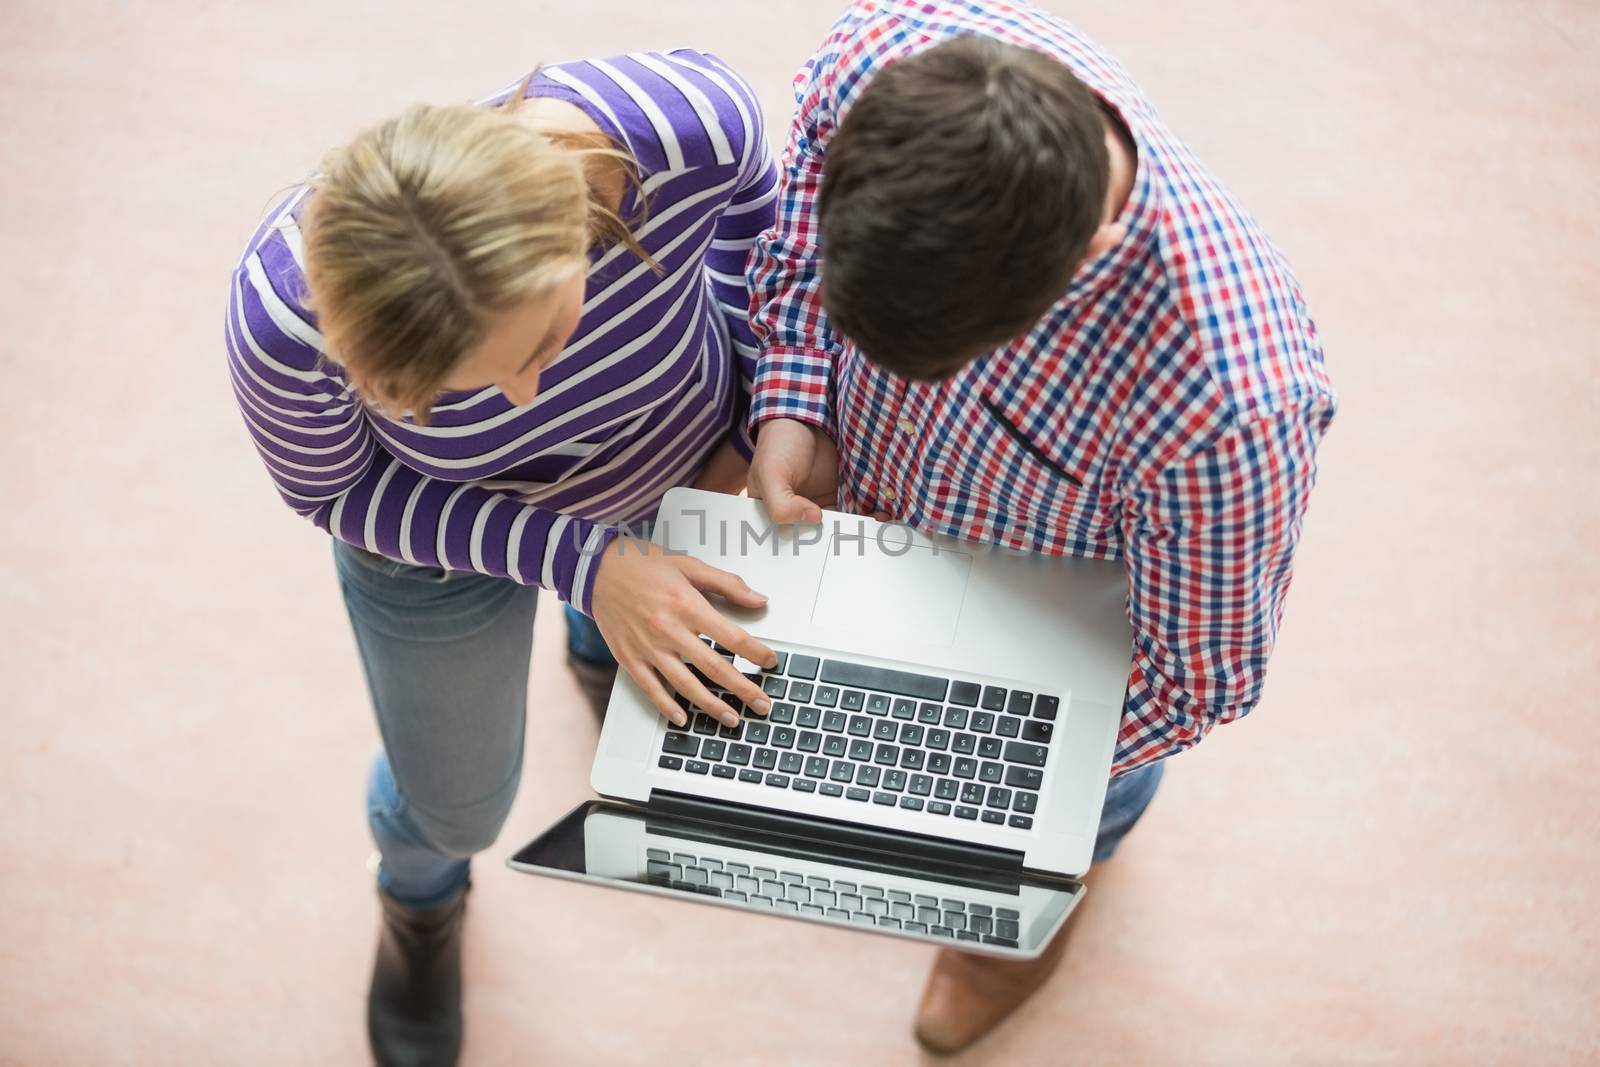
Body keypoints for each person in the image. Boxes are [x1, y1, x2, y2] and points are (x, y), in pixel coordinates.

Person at [745, 2, 1337, 1053]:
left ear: (1090, 257)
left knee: (1061, 839)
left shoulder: (1229, 403)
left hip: (1056, 645)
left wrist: (958, 753)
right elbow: (795, 229)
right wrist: (795, 398)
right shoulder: (881, 52)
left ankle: (999, 942)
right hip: (872, 542)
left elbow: (1191, 674)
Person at [225, 51, 781, 1066]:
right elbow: (337, 491)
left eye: (545, 340)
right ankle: (420, 902)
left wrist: (750, 423)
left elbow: (764, 247)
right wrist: (586, 563)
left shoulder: (689, 125)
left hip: (684, 460)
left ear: (577, 226)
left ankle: (595, 646)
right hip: (439, 539)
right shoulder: (281, 323)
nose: (524, 401)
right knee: (457, 803)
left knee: (641, 615)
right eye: (456, 394)